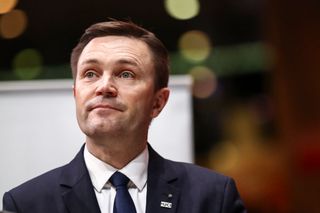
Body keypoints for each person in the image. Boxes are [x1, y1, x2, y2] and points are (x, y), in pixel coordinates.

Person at [2, 20, 246, 213]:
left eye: (126, 74)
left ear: (158, 102)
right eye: (90, 73)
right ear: (76, 94)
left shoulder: (213, 197)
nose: (104, 86)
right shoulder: (26, 204)